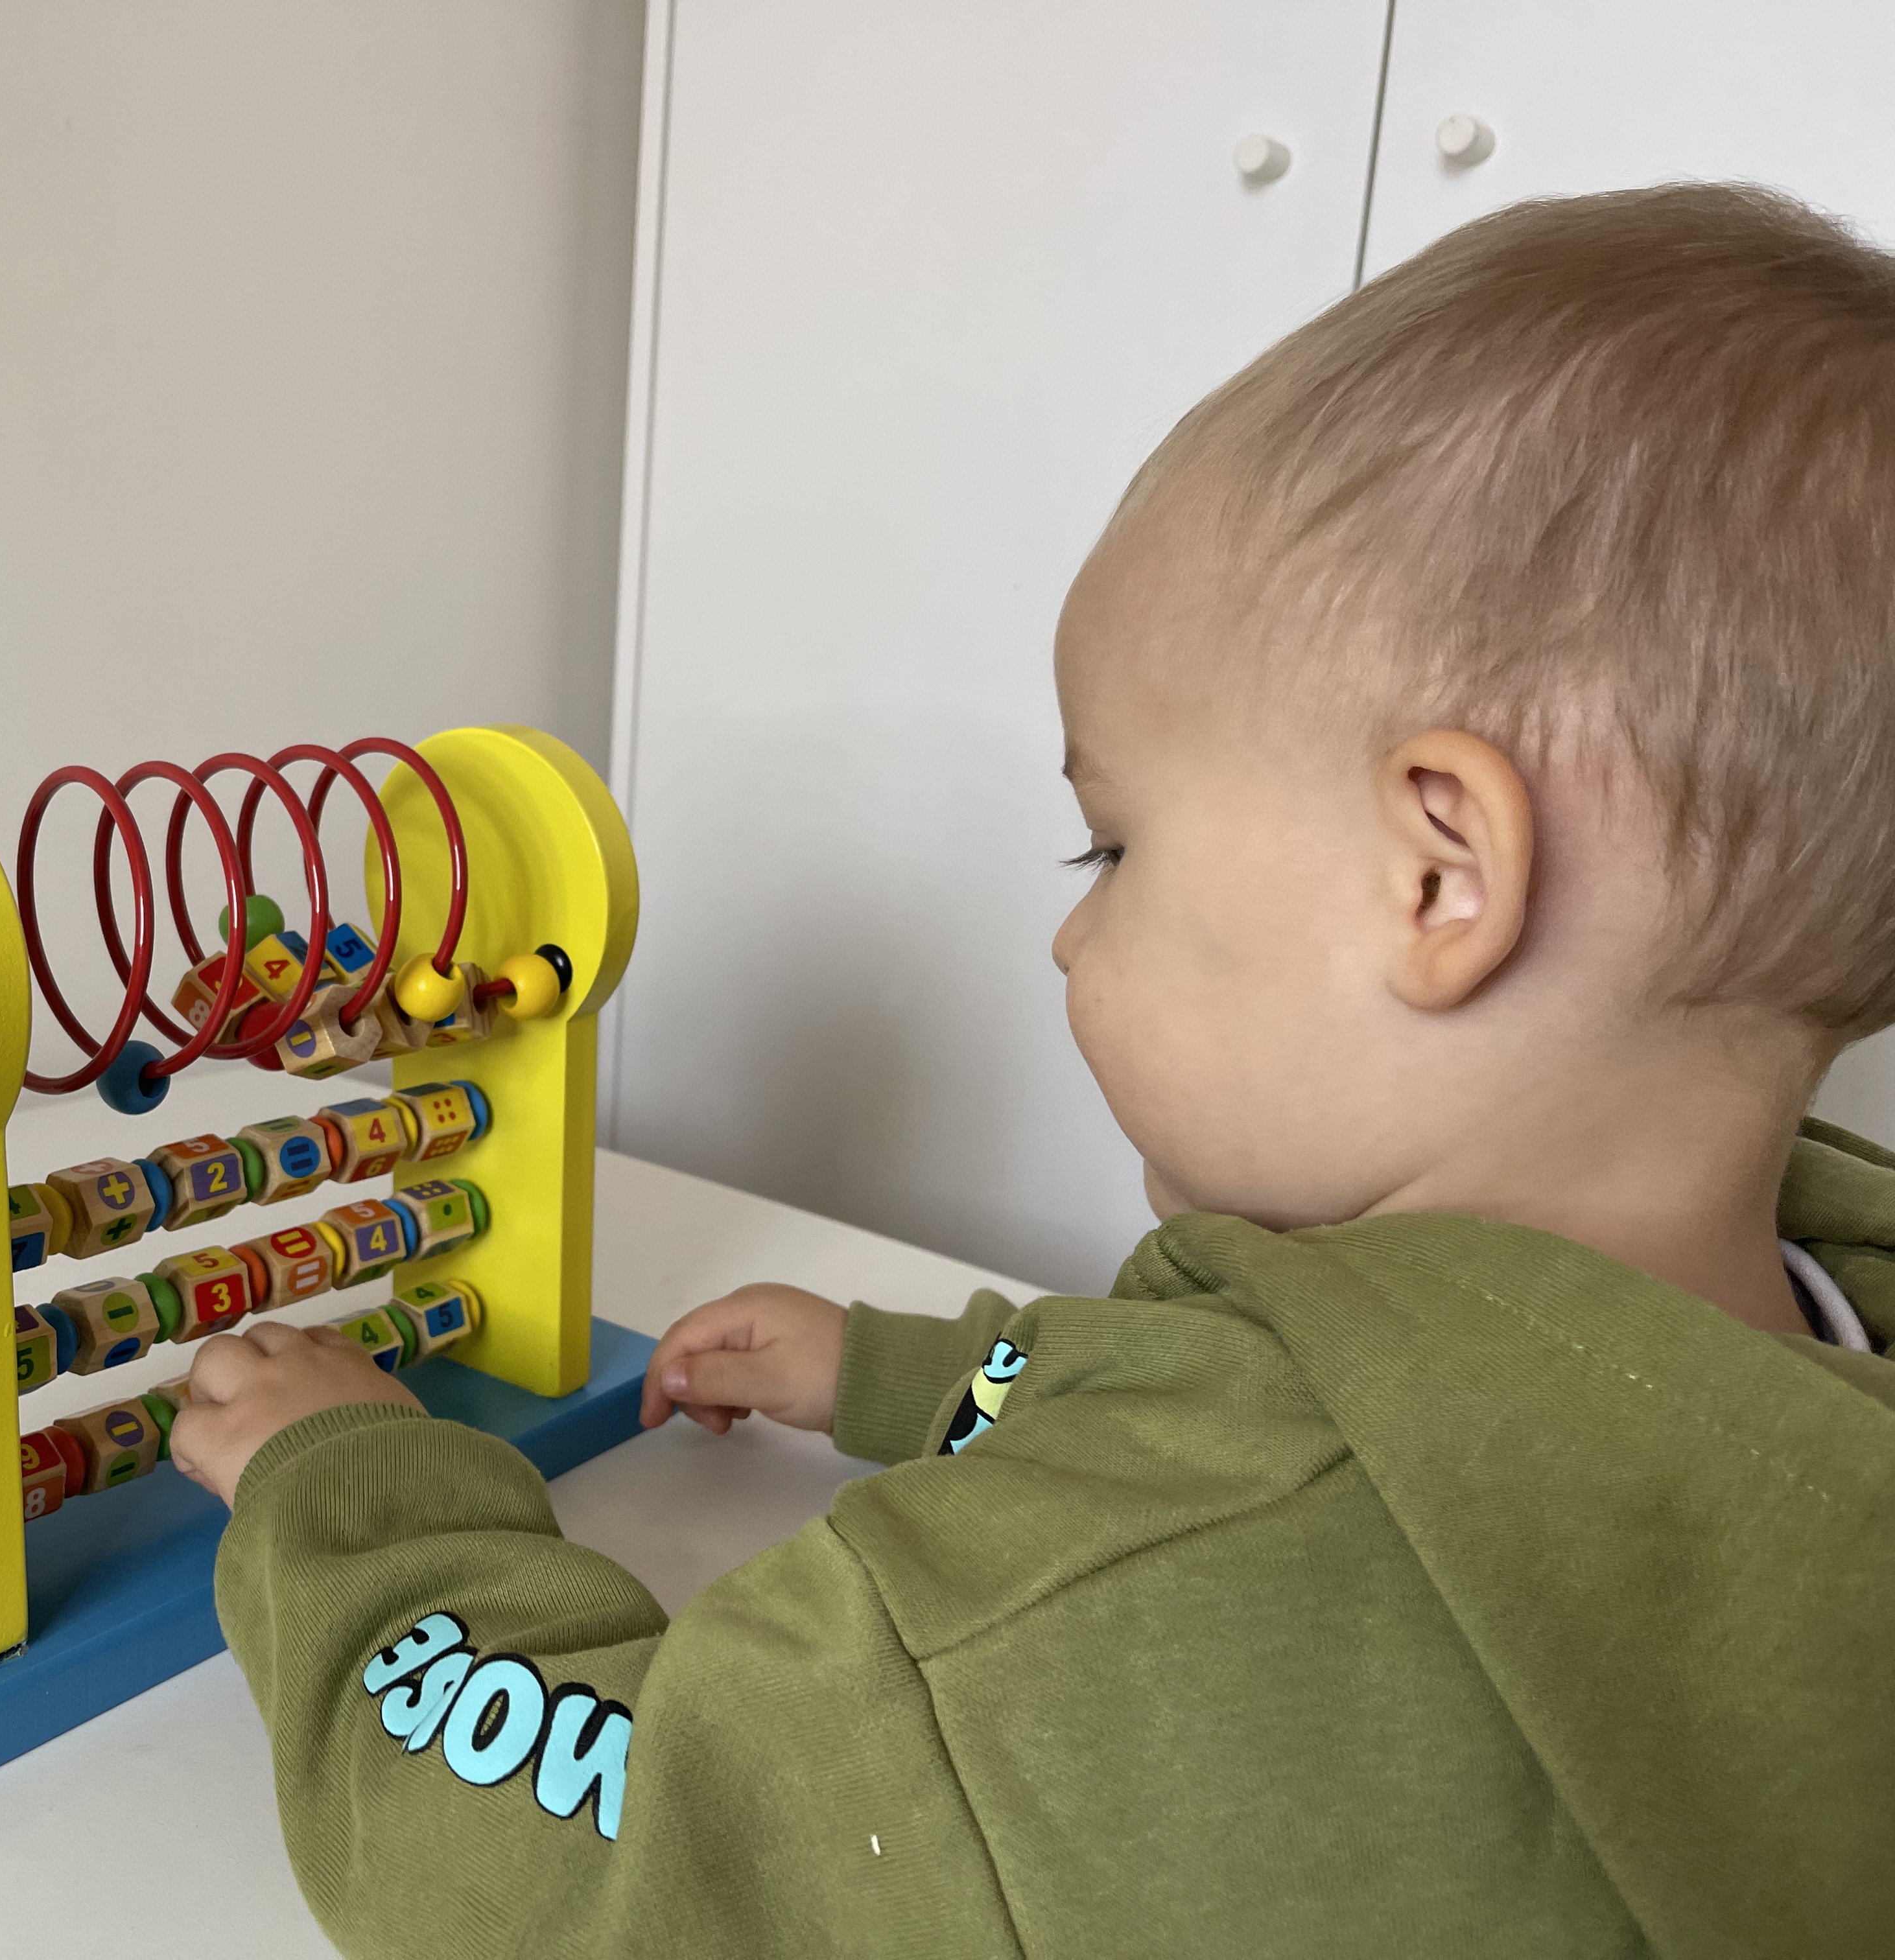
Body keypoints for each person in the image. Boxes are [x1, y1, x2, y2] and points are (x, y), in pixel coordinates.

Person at [169, 185, 1895, 1959]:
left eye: (1112, 849)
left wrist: (364, 1512)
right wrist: (928, 1377)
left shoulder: (1111, 1609)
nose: (1073, 940)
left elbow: (607, 1867)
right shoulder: (1798, 1361)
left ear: (1438, 877)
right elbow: (1322, 1391)